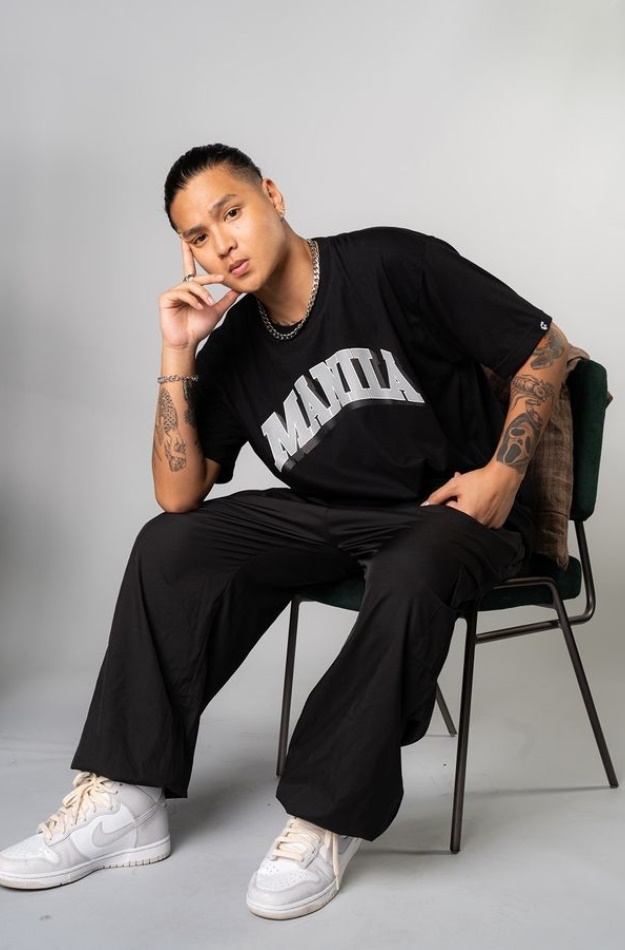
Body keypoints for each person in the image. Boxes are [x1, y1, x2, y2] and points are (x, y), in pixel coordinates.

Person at [0, 143, 569, 919]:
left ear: (271, 194)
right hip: (328, 516)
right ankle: (126, 798)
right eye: (198, 236)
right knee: (169, 544)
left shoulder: (390, 262)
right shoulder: (235, 345)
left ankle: (324, 815)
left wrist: (502, 472)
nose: (222, 244)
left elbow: (545, 347)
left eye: (230, 213)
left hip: (451, 511)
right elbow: (178, 493)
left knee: (412, 568)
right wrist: (178, 348)